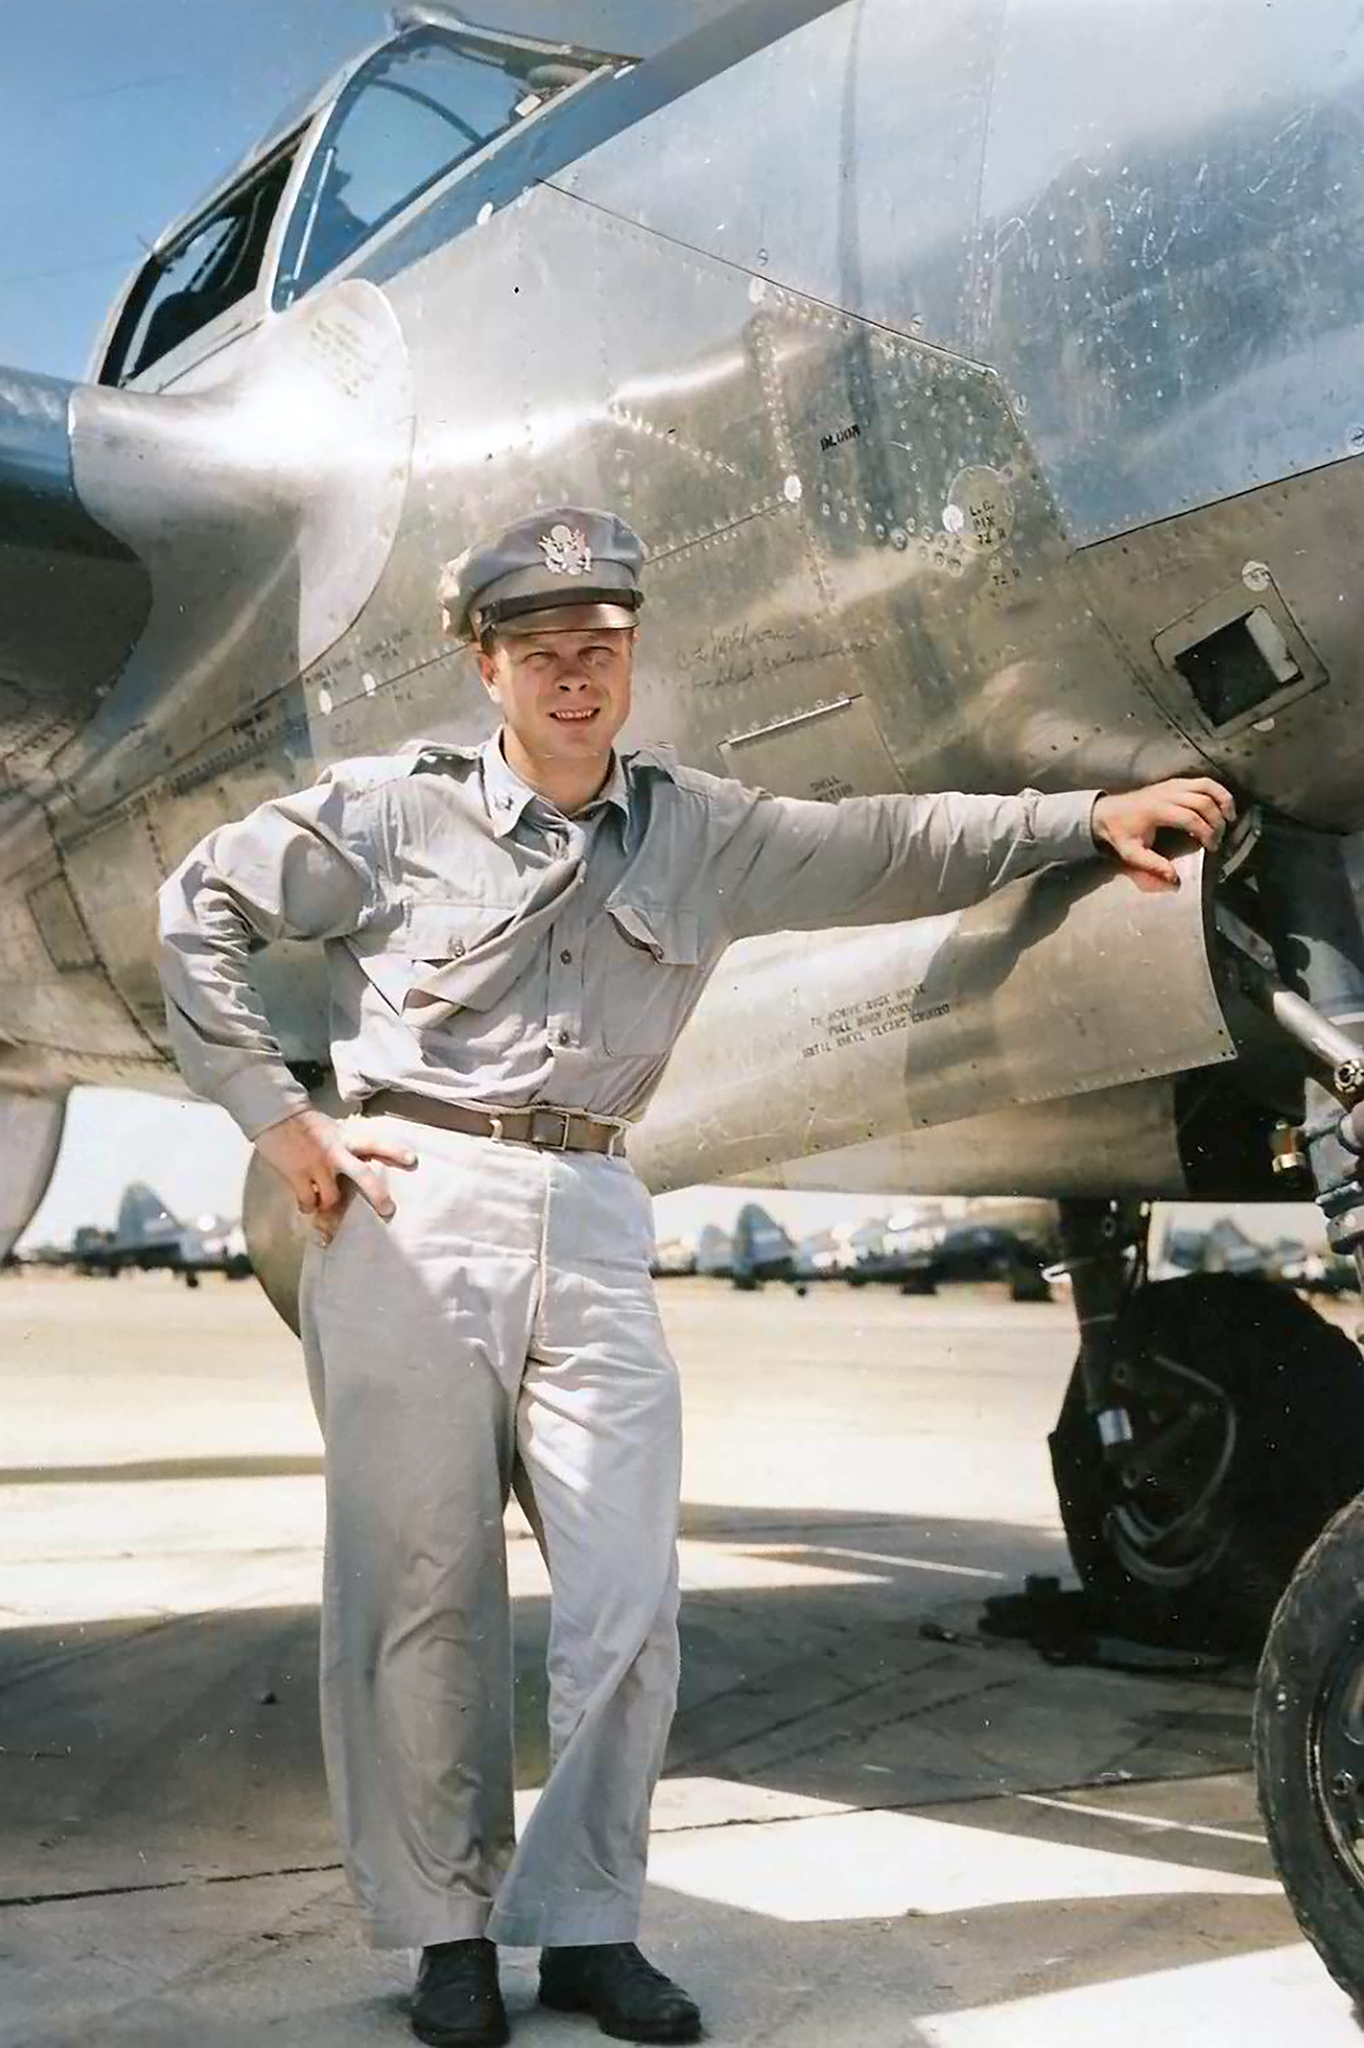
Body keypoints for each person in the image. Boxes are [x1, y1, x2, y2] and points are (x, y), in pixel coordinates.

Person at [157, 505, 1236, 2045]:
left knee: (627, 1598)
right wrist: (282, 1120)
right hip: (413, 1204)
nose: (574, 675)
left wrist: (1086, 819)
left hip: (599, 1201)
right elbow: (200, 904)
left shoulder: (700, 829)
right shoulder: (394, 814)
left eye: (598, 646)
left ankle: (589, 1926)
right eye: (541, 650)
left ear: (630, 656)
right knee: (418, 1595)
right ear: (485, 664)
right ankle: (447, 1937)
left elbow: (893, 842)